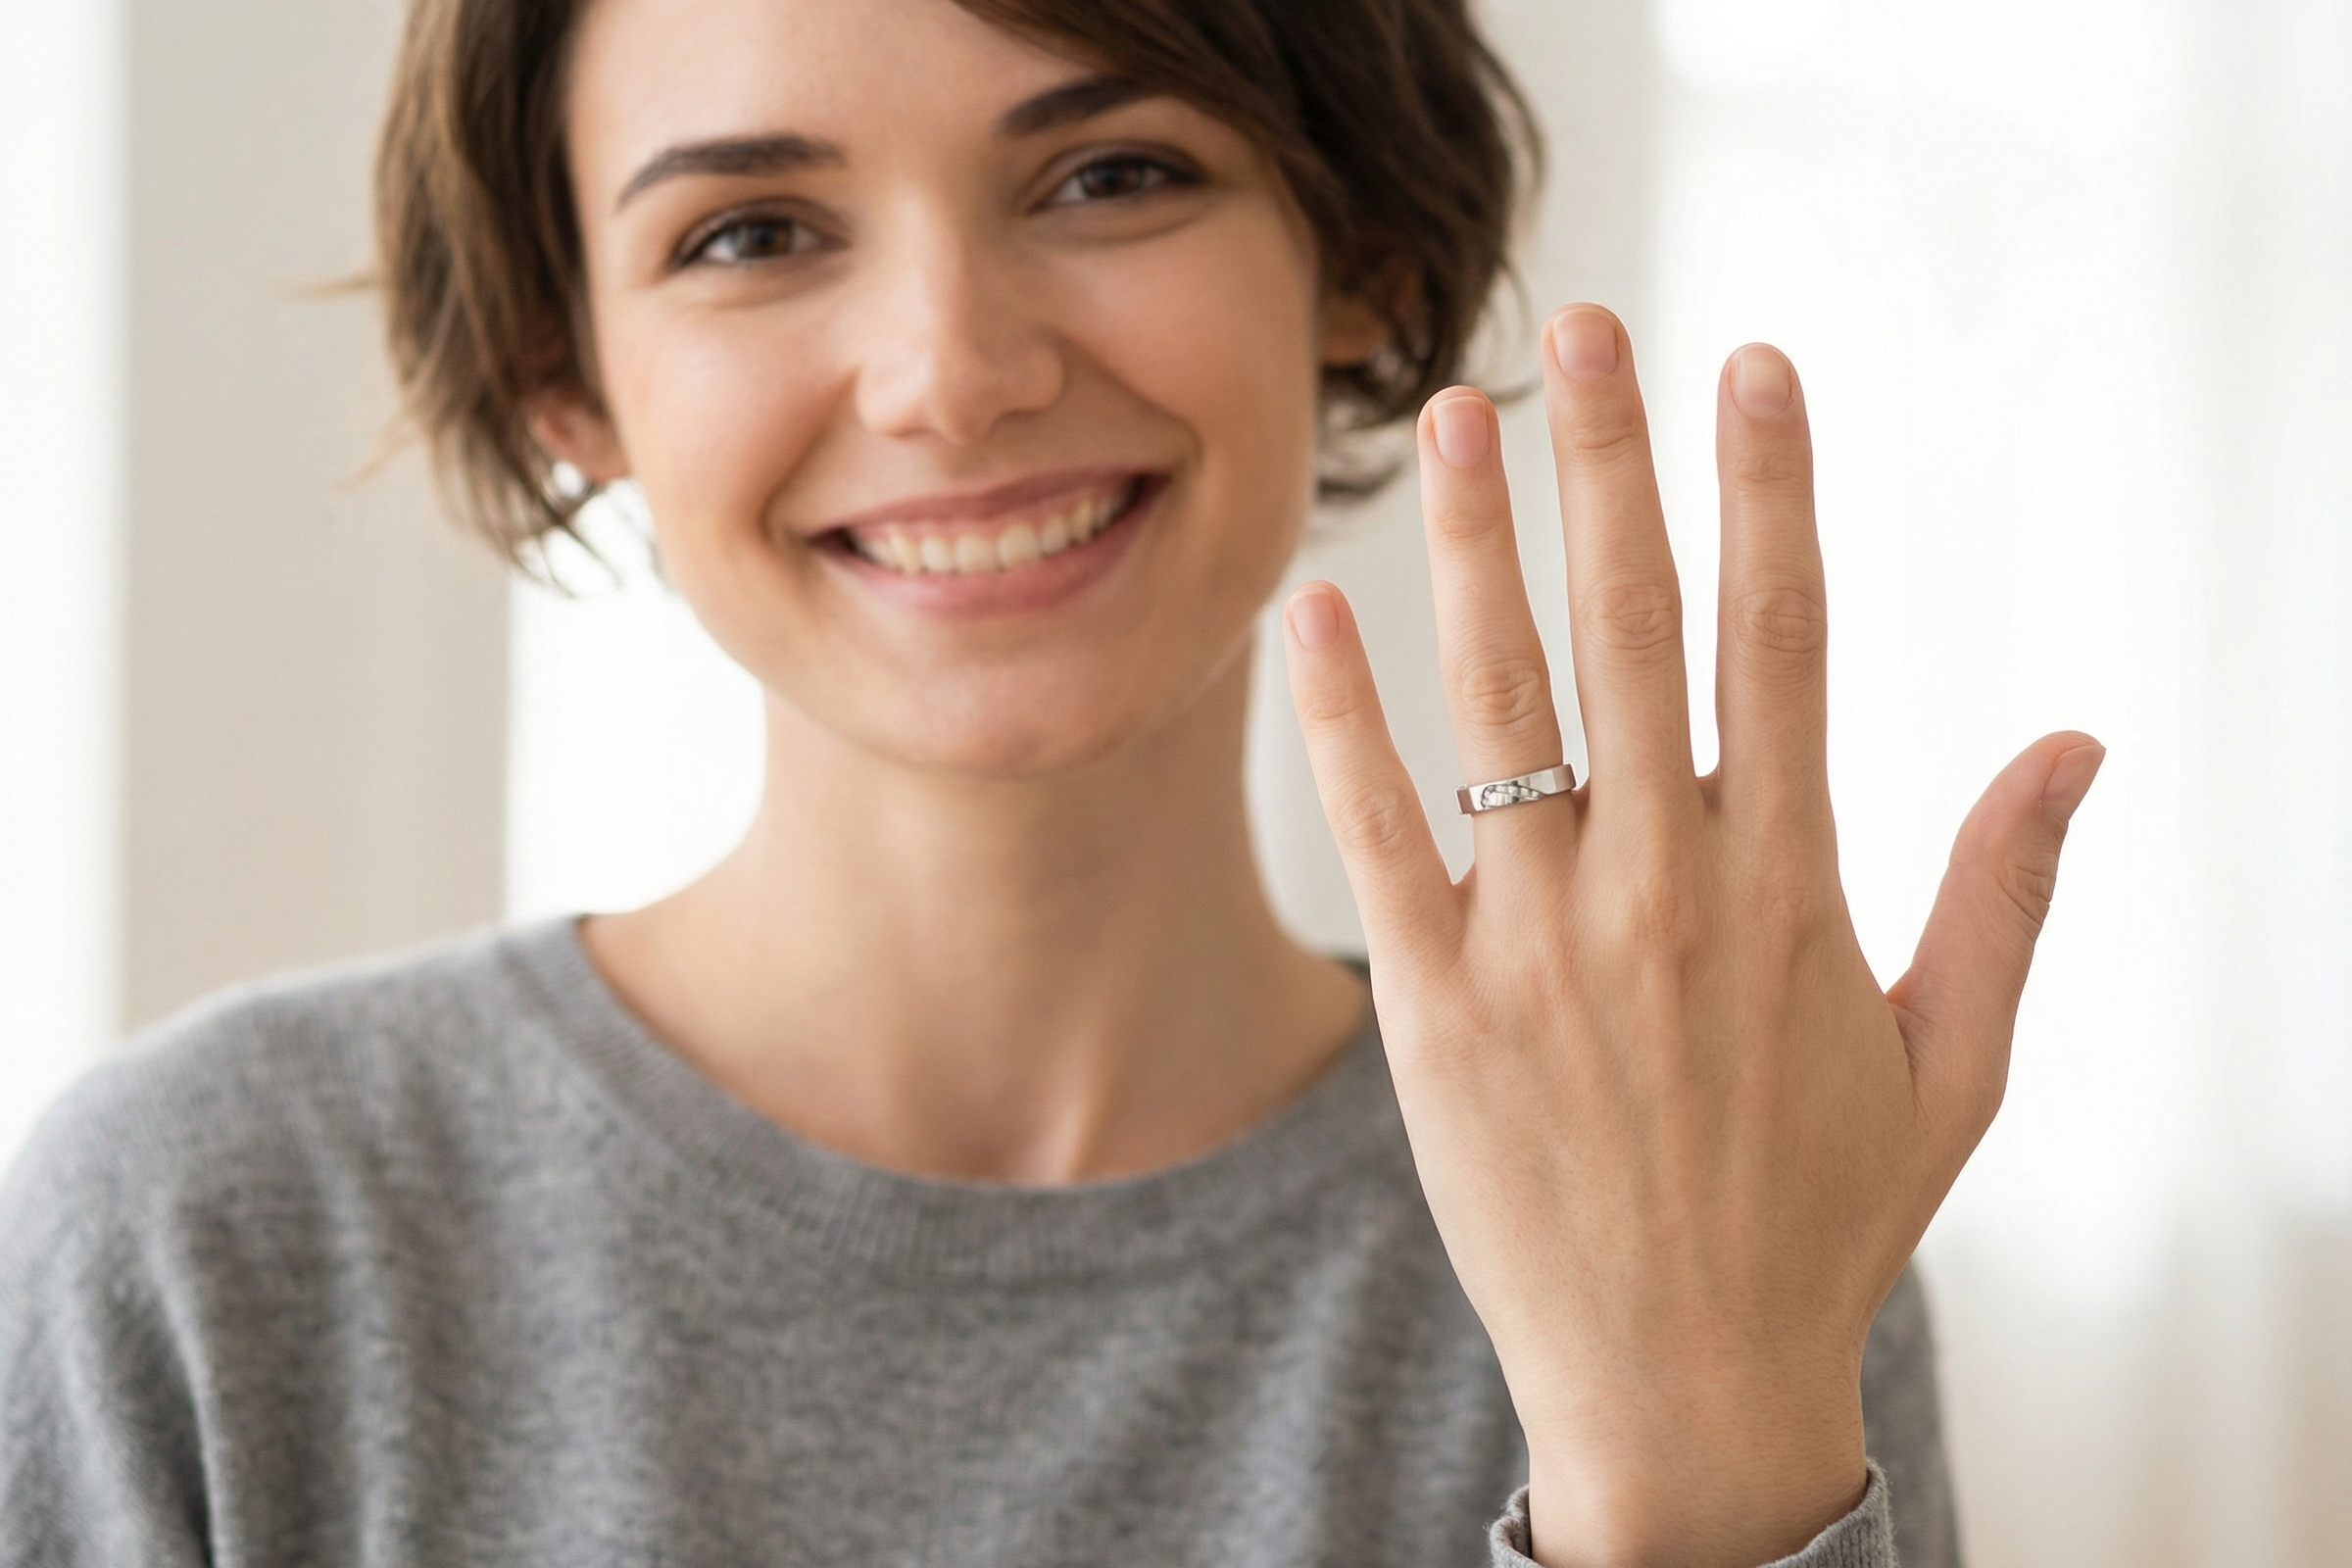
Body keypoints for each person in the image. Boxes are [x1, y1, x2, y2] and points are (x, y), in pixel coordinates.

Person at [0, 0, 2103, 1563]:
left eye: (1113, 176)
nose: (953, 370)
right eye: (750, 231)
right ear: (570, 376)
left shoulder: (1699, 1190)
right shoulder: (214, 1245)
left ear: (1364, 251)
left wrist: (1681, 1445)